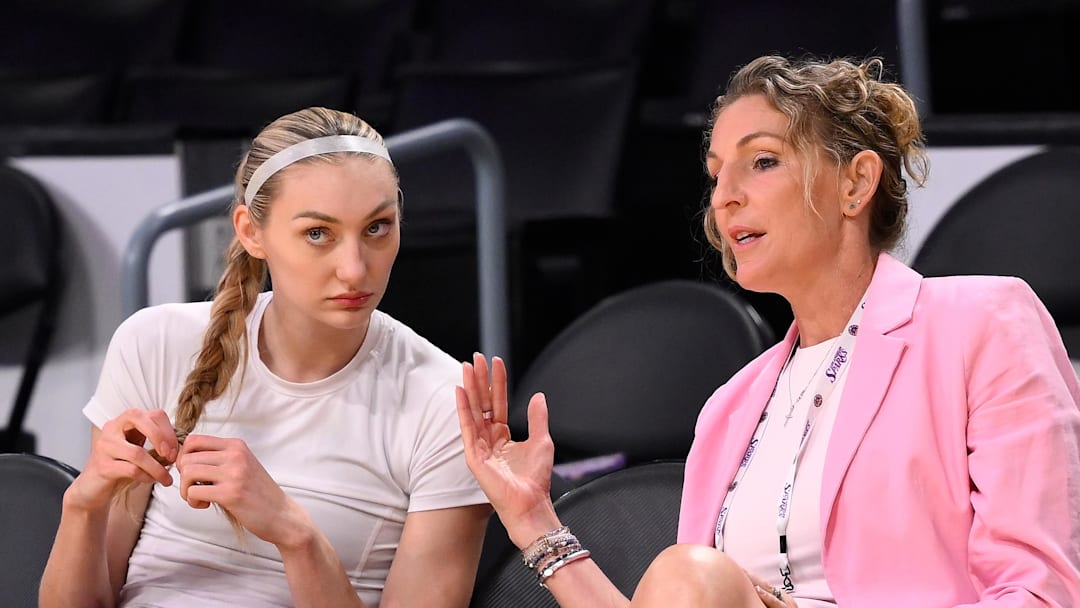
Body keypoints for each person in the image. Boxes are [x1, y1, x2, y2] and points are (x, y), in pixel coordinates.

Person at [455, 55, 1080, 607]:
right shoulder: (729, 408)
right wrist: (534, 519)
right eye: (716, 173)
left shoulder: (982, 324)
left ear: (856, 183)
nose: (723, 197)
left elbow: (1039, 592)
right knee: (686, 578)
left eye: (762, 162)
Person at [39, 107, 490, 608]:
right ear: (251, 232)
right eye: (318, 233)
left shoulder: (446, 403)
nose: (354, 268)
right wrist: (82, 506)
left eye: (377, 227)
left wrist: (294, 533)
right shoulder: (155, 342)